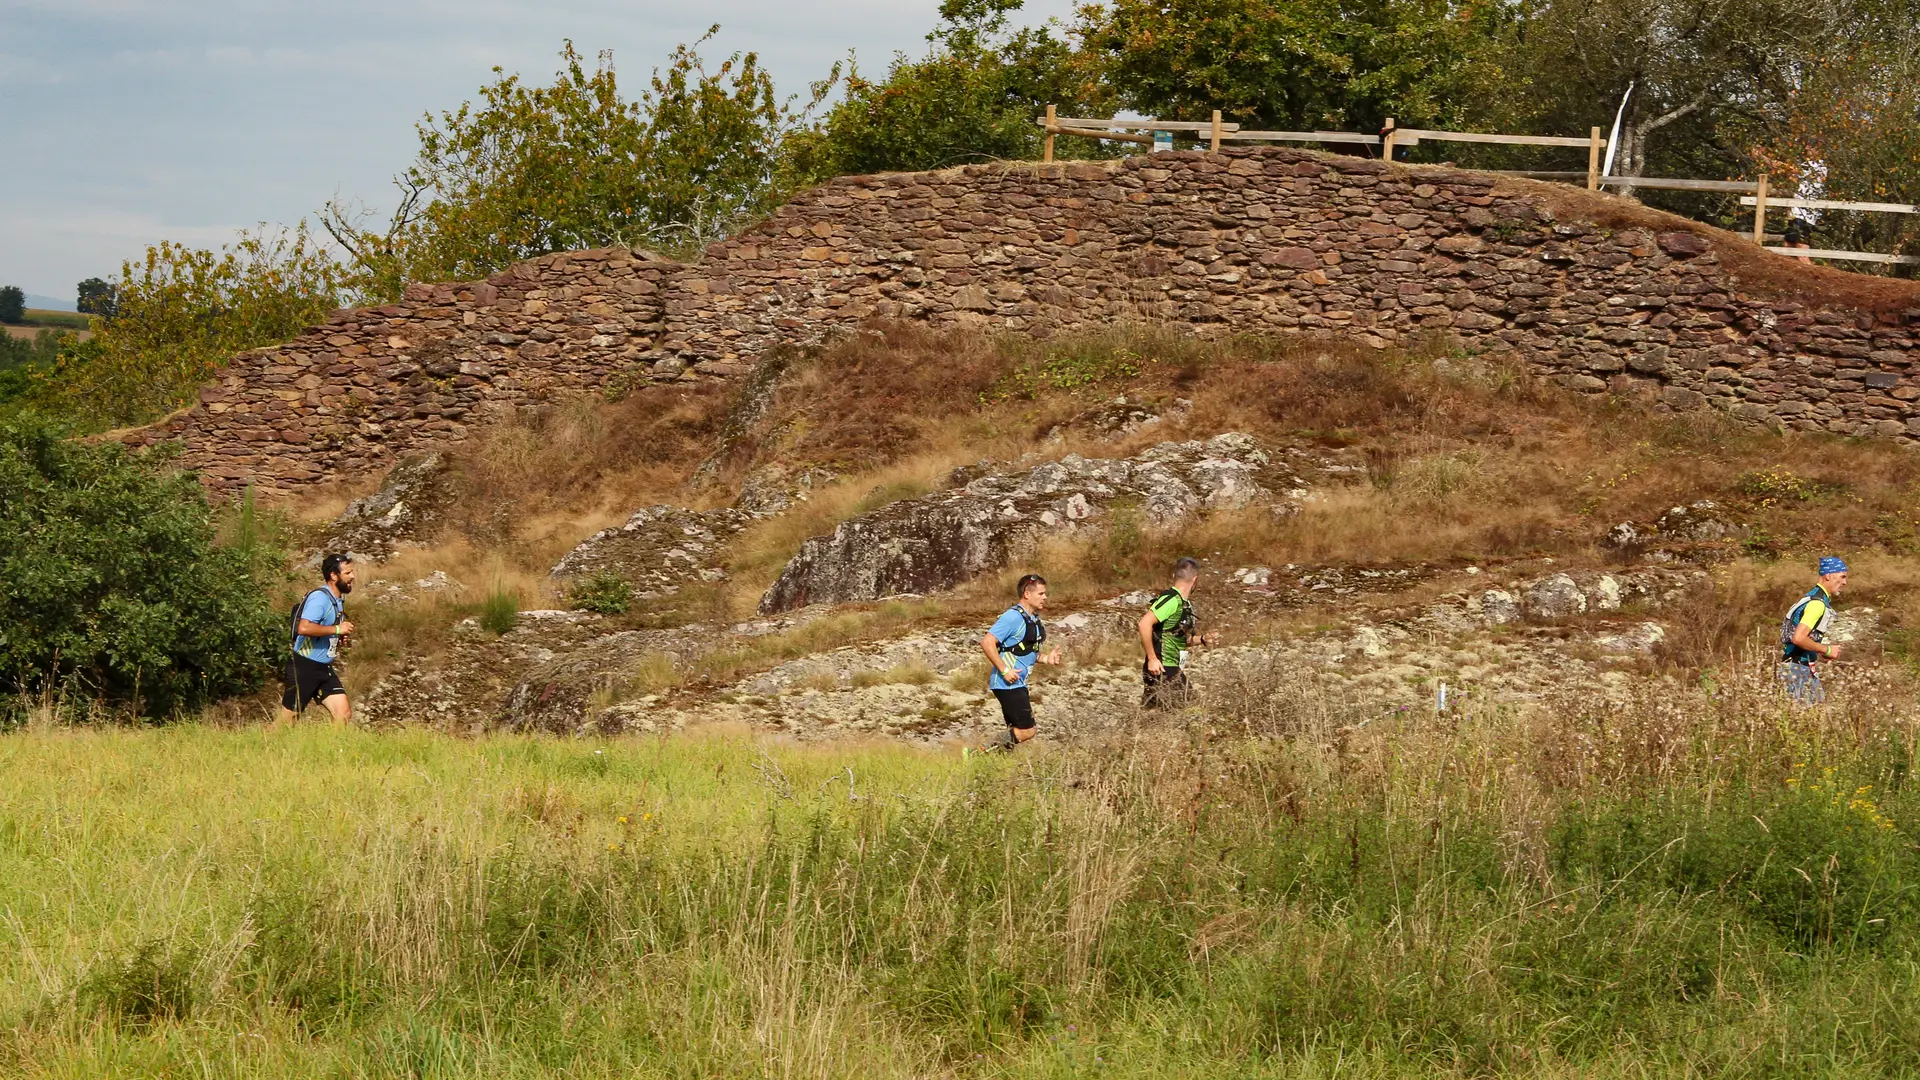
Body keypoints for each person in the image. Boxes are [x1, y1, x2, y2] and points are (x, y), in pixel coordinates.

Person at [968, 573, 1063, 755]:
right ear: (1027, 594)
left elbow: (1024, 651)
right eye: (1041, 594)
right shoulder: (1012, 617)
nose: (1045, 597)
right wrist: (1004, 670)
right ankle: (977, 754)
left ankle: (992, 763)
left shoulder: (1033, 619)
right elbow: (987, 642)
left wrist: (1046, 658)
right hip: (1007, 683)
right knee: (1027, 730)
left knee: (1014, 731)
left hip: (1017, 683)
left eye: (1045, 594)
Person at [278, 553, 356, 726]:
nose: (353, 577)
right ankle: (260, 746)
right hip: (304, 667)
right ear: (334, 576)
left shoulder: (337, 600)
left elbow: (324, 629)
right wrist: (337, 628)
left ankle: (334, 752)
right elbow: (304, 628)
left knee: (343, 714)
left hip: (322, 667)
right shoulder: (319, 598)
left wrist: (337, 636)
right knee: (285, 724)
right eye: (348, 573)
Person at [1139, 557, 1214, 708]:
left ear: (1175, 576)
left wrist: (1203, 639)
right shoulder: (1171, 600)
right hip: (1162, 667)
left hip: (1173, 666)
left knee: (1153, 717)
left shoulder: (1184, 605)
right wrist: (1152, 659)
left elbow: (1177, 638)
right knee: (1190, 709)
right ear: (1195, 580)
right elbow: (1144, 624)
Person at [1779, 556, 1847, 705]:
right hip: (1798, 669)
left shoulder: (1809, 598)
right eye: (1842, 577)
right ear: (1828, 575)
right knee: (1811, 718)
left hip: (1792, 667)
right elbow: (1798, 638)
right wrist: (1826, 649)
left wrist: (1815, 650)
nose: (1844, 582)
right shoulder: (1818, 604)